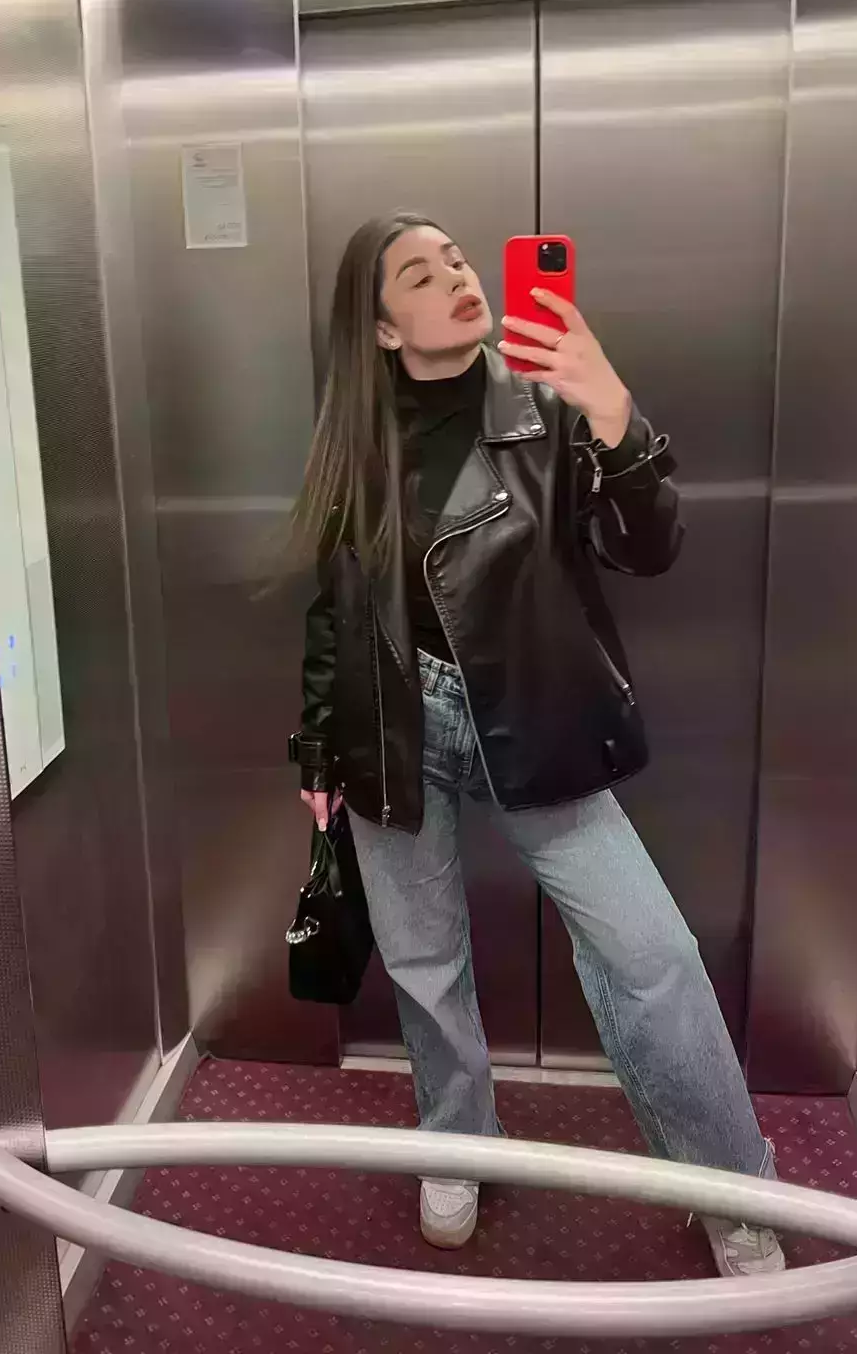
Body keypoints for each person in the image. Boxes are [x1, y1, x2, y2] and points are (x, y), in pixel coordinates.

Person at [288, 211, 783, 1278]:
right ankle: (458, 1143)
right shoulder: (357, 443)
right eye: (420, 276)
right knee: (424, 963)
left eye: (457, 260)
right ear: (382, 329)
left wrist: (614, 413)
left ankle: (728, 1185)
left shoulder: (549, 407)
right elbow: (334, 609)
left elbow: (650, 547)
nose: (456, 279)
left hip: (534, 714)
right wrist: (318, 751)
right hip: (394, 723)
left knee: (652, 957)